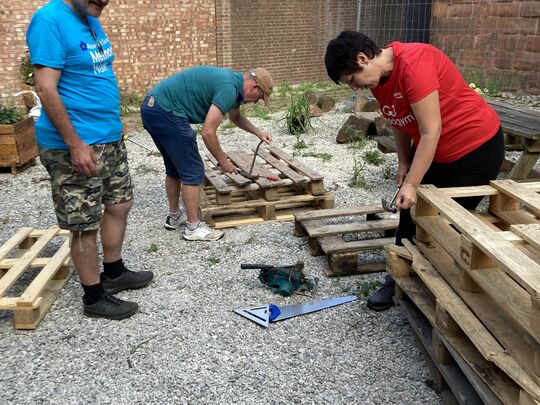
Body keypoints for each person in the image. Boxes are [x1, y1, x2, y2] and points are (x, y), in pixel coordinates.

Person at [325, 31, 504, 311]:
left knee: (444, 222)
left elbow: (430, 131)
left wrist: (411, 184)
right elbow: (397, 119)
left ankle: (438, 286)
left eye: (351, 80)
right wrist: (404, 164)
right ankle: (397, 277)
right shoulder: (379, 79)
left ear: (362, 58)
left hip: (474, 148)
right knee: (410, 212)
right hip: (435, 151)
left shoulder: (415, 64)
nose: (354, 88)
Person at [26, 0, 153, 320]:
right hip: (74, 145)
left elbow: (95, 75)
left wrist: (112, 121)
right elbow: (45, 87)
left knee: (120, 203)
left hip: (107, 137)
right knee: (84, 224)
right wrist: (76, 144)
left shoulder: (90, 18)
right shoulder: (49, 20)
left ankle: (113, 272)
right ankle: (94, 297)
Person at [140, 66, 274, 241]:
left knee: (174, 167)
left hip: (152, 108)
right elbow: (208, 132)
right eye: (260, 97)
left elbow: (235, 118)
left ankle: (175, 217)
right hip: (166, 112)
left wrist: (258, 133)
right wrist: (223, 161)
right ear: (254, 88)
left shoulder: (233, 84)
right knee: (193, 170)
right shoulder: (229, 89)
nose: (257, 102)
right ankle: (193, 228)